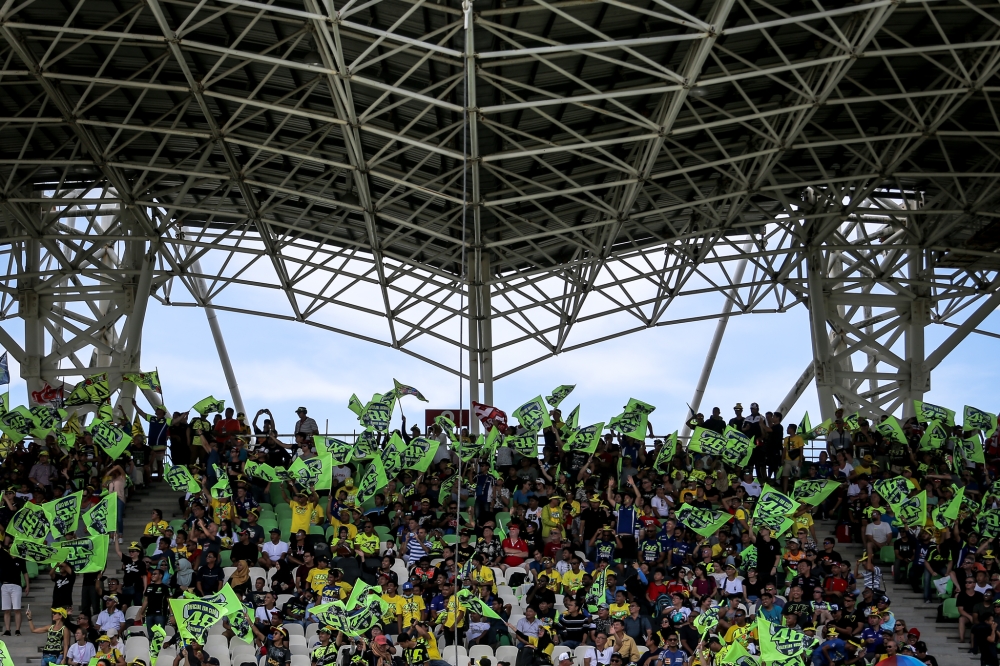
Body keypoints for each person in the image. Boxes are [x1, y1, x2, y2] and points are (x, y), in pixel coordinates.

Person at [0, 533, 28, 635]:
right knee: (6, 610)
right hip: (5, 585)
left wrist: (27, 586)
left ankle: (17, 629)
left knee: (17, 609)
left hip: (16, 586)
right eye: (10, 546)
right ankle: (7, 629)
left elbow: (25, 572)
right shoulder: (4, 556)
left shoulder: (20, 559)